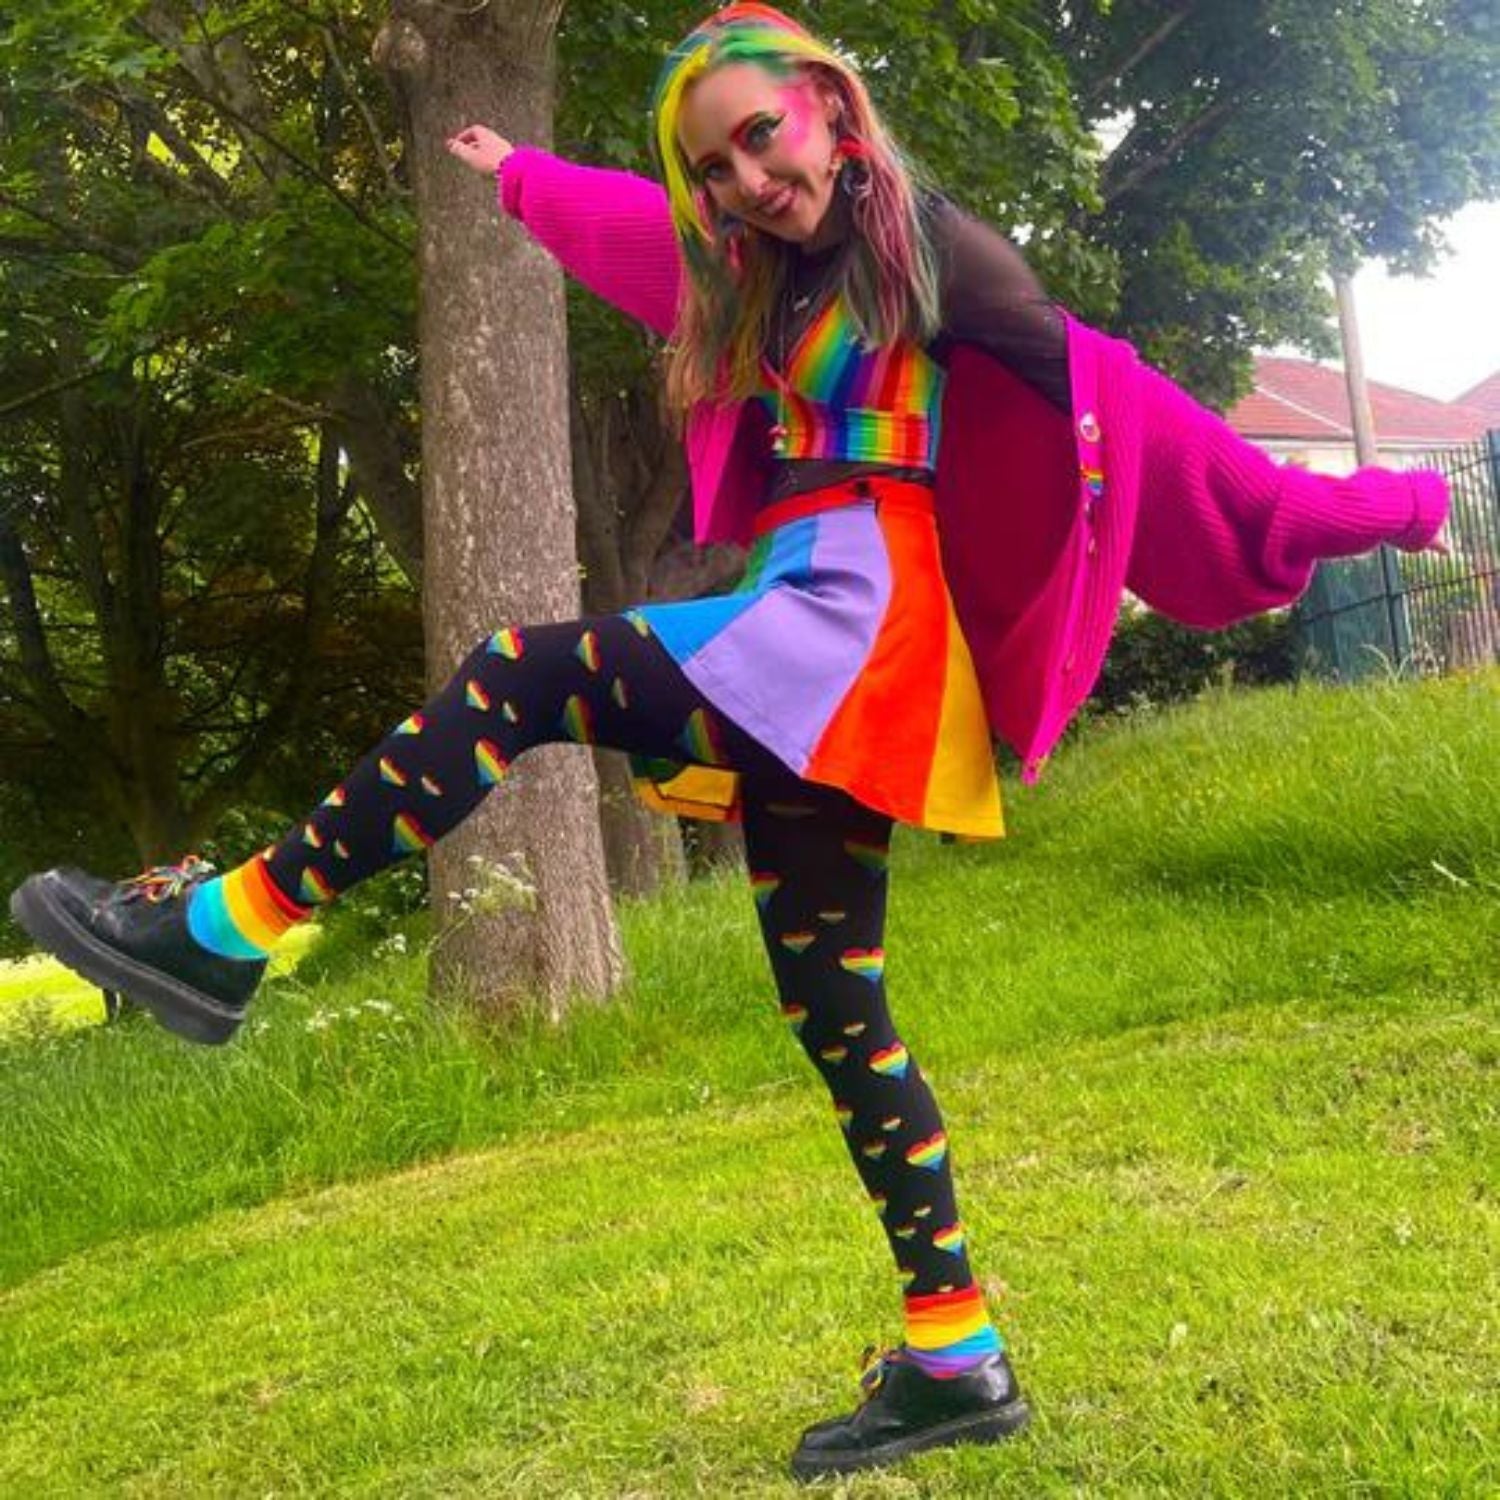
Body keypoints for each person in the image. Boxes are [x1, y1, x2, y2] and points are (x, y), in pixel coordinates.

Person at [9, 2, 1449, 1482]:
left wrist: (1379, 505)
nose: (748, 181)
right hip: (816, 620)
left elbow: (1125, 399)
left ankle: (224, 930)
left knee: (519, 676)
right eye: (714, 167)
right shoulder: (763, 272)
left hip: (856, 622)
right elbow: (647, 243)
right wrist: (523, 178)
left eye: (764, 138)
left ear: (832, 107)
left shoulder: (936, 255)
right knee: (839, 1009)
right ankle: (956, 1354)